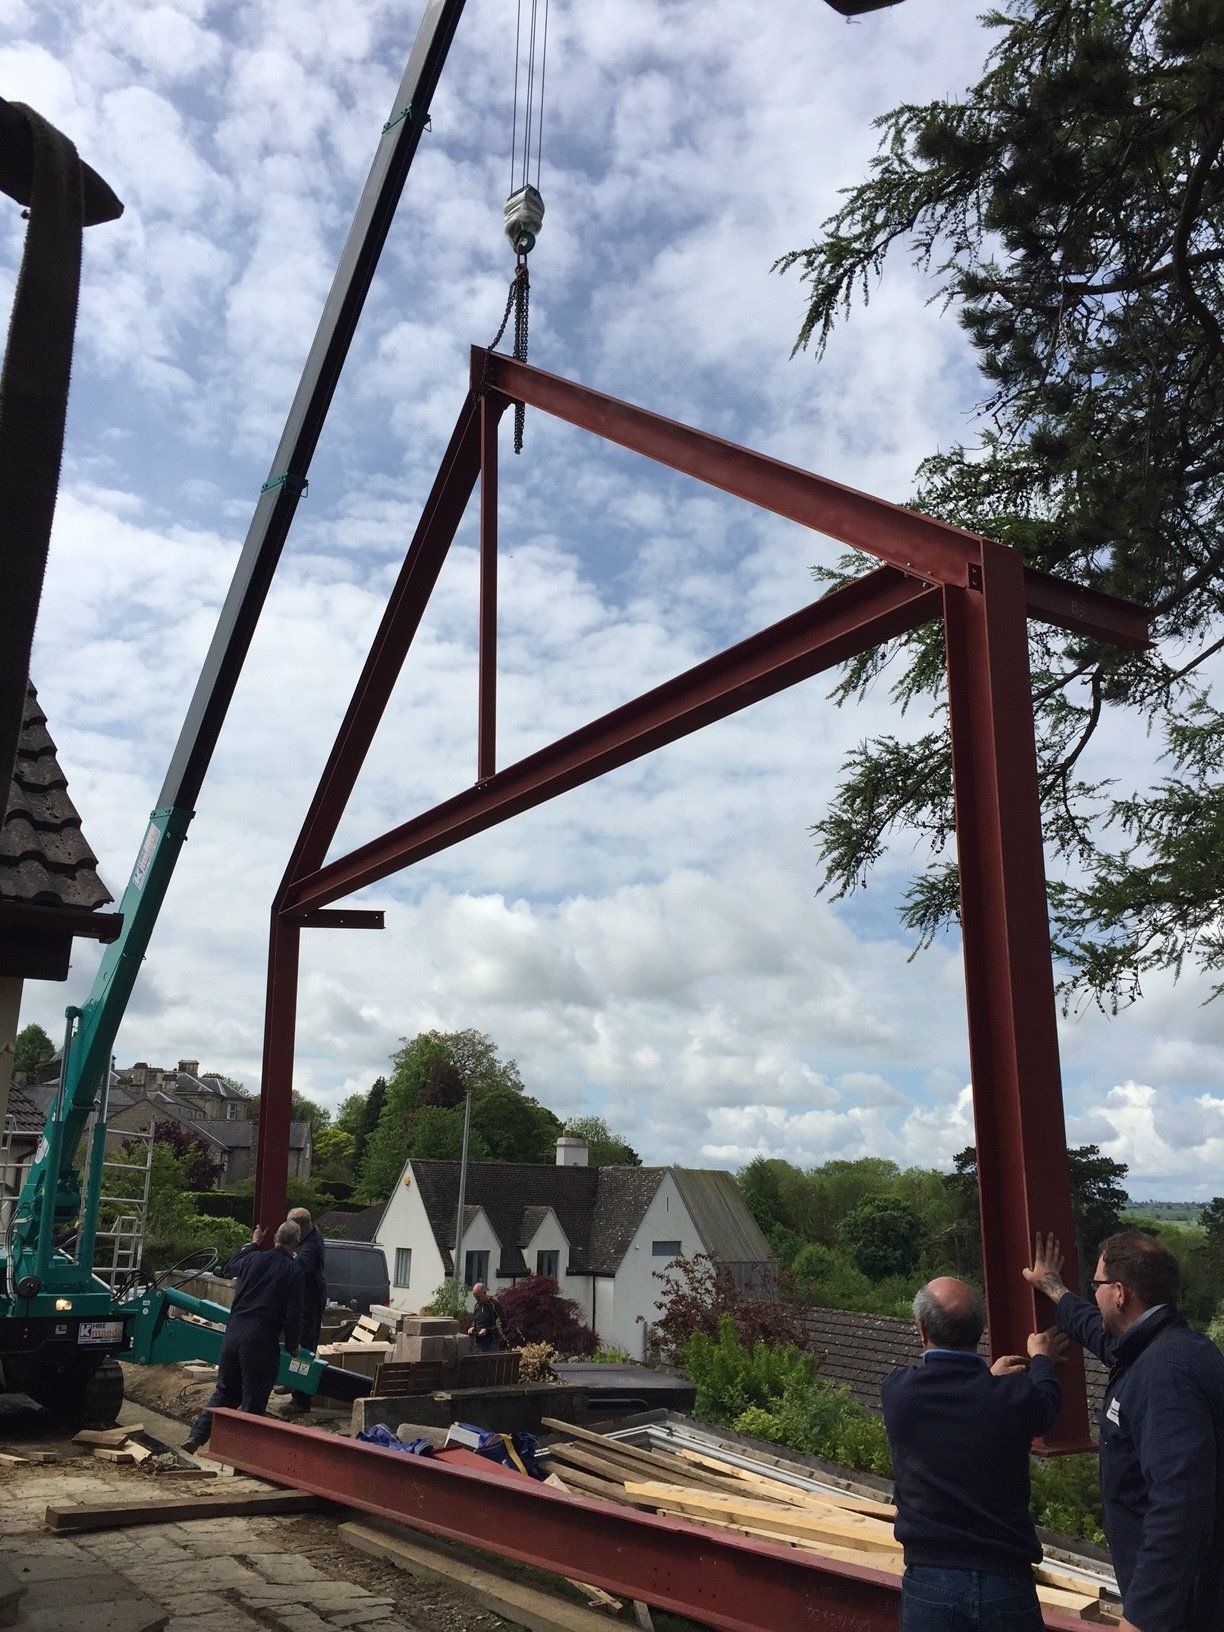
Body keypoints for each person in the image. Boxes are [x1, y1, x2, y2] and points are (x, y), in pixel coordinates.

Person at [1025, 1230, 1224, 1632]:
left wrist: (1142, 1618)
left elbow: (1179, 1505)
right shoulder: (1168, 1348)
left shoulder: (1164, 1376)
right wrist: (1052, 1287)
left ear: (1119, 1293)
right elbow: (1097, 1332)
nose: (1093, 1294)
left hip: (1184, 1612)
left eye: (1096, 1285)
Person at [881, 1275, 1065, 1630]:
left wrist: (987, 1379)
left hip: (930, 1581)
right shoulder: (1010, 1399)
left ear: (922, 1331)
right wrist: (1041, 1360)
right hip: (1006, 1582)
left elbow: (957, 1396)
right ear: (978, 1330)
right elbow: (1046, 1406)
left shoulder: (898, 1394)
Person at [183, 1220, 304, 1453]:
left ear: (275, 1238)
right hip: (260, 1342)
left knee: (225, 1392)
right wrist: (292, 1346)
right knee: (254, 1402)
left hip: (233, 1335)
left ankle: (196, 1436)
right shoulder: (293, 1271)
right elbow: (293, 1315)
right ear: (296, 1243)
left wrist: (254, 1243)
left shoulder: (252, 1258)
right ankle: (243, 1456)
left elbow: (231, 1267)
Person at [283, 1206, 326, 1417]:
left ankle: (301, 1399)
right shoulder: (308, 1236)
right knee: (293, 1343)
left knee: (305, 1348)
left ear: (301, 1227)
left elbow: (295, 1267)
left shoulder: (311, 1248)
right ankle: (292, 1382)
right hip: (302, 1300)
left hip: (310, 1302)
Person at [469, 1282, 506, 1352]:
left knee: (489, 1362)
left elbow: (504, 1323)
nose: (477, 1299)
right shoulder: (477, 1306)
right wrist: (473, 1328)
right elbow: (475, 1321)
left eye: (478, 1297)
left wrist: (487, 1330)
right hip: (477, 1343)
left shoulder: (494, 1304)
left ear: (484, 1292)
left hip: (491, 1343)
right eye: (475, 1297)